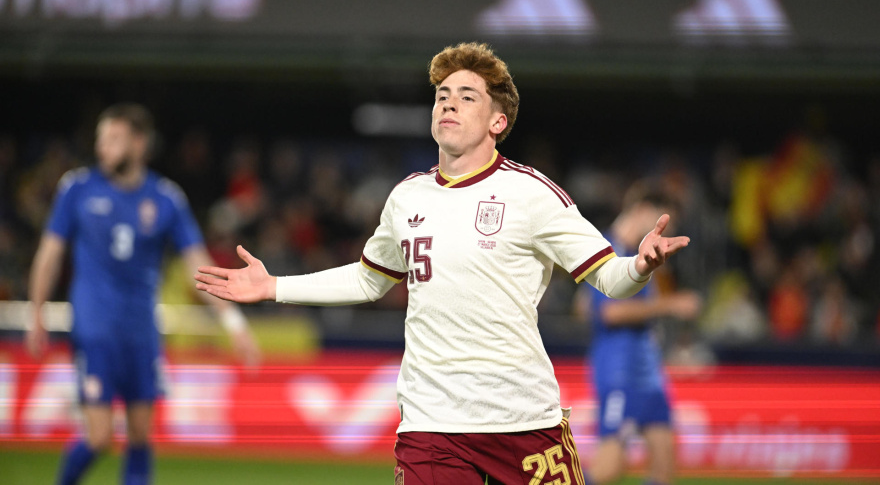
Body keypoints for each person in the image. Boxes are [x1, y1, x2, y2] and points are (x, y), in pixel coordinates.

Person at [195, 42, 690, 485]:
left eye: (467, 96)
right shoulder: (407, 196)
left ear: (498, 121)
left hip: (523, 422)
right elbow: (368, 281)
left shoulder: (532, 194)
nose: (448, 101)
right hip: (431, 426)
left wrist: (640, 266)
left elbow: (608, 278)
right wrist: (274, 287)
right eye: (442, 94)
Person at [25, 103, 260, 485]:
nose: (103, 148)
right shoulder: (77, 188)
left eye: (114, 139)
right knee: (100, 435)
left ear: (138, 144)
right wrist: (37, 313)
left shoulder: (166, 198)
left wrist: (233, 322)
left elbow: (197, 266)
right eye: (101, 139)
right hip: (95, 329)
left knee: (140, 436)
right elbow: (50, 254)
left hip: (141, 333)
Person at [573, 185, 702, 485]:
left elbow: (582, 306)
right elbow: (610, 313)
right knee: (608, 468)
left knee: (664, 468)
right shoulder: (610, 248)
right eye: (664, 223)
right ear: (643, 210)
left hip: (648, 371)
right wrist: (672, 304)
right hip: (619, 370)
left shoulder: (636, 256)